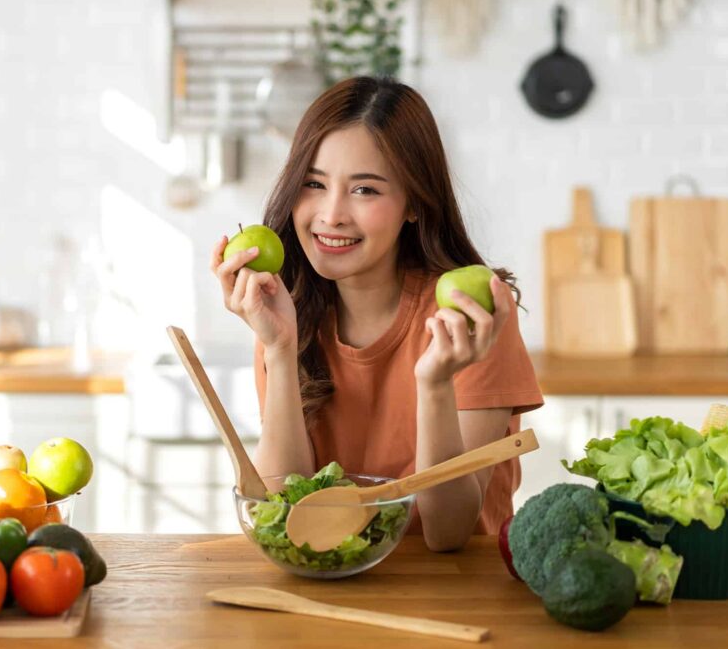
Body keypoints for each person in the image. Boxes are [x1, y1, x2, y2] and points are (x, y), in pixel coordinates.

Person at [210, 76, 543, 551]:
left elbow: (446, 533)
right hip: (333, 584)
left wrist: (434, 385)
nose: (332, 214)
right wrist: (280, 349)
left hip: (456, 595)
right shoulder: (290, 313)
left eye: (365, 190)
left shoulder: (470, 318)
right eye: (313, 183)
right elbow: (285, 515)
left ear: (414, 203)